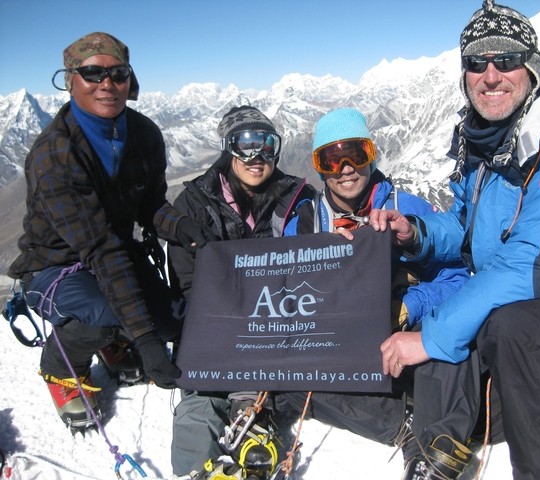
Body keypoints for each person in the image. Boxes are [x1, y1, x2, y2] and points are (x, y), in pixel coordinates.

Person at [367, 2, 540, 479]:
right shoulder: (488, 140)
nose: (490, 75)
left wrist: (427, 340)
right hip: (524, 276)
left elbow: (526, 268)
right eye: (476, 62)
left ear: (532, 67)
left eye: (506, 59)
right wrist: (416, 234)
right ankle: (440, 450)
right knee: (469, 322)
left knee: (512, 329)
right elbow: (468, 228)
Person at [7, 32, 213, 430]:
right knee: (103, 315)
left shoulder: (143, 133)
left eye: (117, 73)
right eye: (92, 73)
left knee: (171, 322)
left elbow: (149, 205)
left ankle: (115, 338)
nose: (107, 84)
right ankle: (61, 367)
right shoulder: (56, 156)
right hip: (55, 266)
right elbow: (101, 250)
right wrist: (146, 341)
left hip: (114, 252)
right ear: (70, 79)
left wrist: (181, 226)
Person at [274, 107, 470, 464]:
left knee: (445, 333)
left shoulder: (408, 211)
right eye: (331, 158)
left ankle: (431, 430)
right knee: (290, 383)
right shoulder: (304, 224)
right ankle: (403, 422)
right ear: (319, 167)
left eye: (356, 153)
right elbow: (284, 294)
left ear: (371, 155)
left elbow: (457, 279)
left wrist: (411, 306)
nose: (346, 168)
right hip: (339, 345)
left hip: (400, 340)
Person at [168, 105, 315, 477]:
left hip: (276, 322)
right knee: (200, 397)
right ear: (227, 148)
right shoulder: (194, 205)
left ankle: (255, 430)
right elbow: (186, 281)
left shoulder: (298, 198)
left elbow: (316, 265)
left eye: (266, 144)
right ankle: (194, 470)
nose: (257, 156)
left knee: (262, 379)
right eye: (244, 144)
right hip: (214, 322)